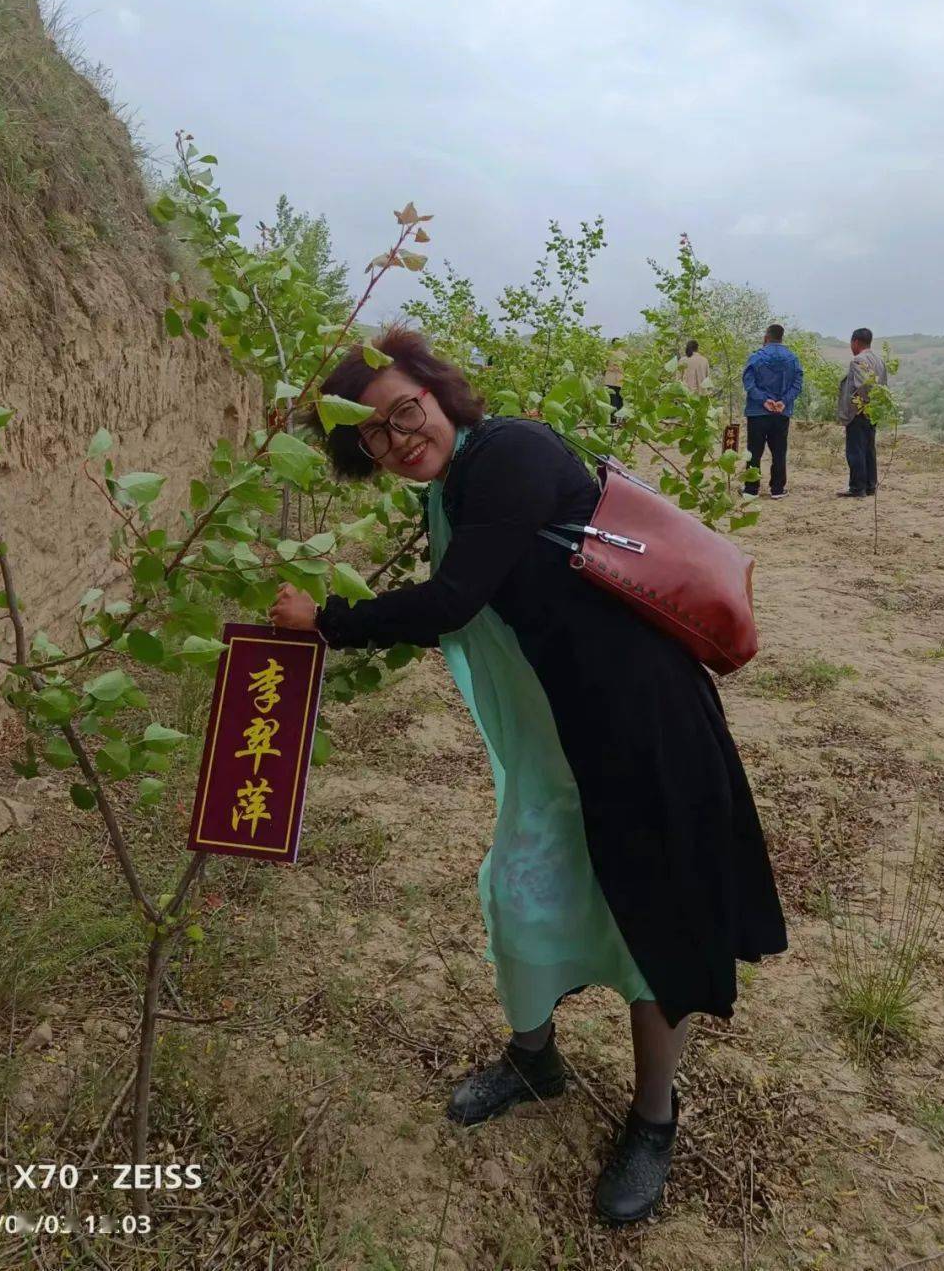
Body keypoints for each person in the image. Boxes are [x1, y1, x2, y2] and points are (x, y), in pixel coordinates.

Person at [271, 327, 787, 1227]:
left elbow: (451, 601)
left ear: (438, 392)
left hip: (638, 723)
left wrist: (328, 619)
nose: (398, 440)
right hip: (563, 736)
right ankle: (534, 1059)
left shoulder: (508, 452)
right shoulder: (453, 487)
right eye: (374, 436)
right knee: (517, 887)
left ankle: (653, 1120)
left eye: (405, 412)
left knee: (649, 919)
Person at [741, 324, 803, 499]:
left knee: (754, 451)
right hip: (781, 413)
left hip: (757, 412)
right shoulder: (792, 358)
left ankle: (751, 489)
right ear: (781, 337)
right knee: (779, 451)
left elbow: (748, 383)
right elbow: (797, 385)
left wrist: (764, 400)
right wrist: (783, 401)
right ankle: (777, 489)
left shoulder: (755, 357)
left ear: (766, 337)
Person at [837, 328, 887, 498]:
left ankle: (857, 488)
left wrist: (863, 405)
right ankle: (870, 486)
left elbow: (863, 385)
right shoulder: (879, 360)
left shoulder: (858, 361)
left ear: (856, 342)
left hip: (858, 412)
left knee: (855, 450)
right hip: (873, 412)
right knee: (868, 449)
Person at [603, 337, 624, 418]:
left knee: (617, 399)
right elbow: (604, 366)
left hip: (618, 380)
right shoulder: (609, 354)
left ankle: (617, 419)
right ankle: (615, 419)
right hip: (613, 380)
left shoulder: (622, 355)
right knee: (615, 399)